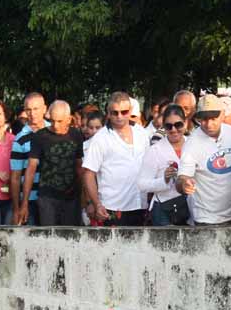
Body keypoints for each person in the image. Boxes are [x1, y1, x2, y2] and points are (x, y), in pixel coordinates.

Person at [81, 91, 150, 226]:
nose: (119, 116)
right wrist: (96, 204)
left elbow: (149, 166)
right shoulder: (100, 138)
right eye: (115, 112)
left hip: (140, 204)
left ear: (130, 111)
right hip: (112, 206)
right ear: (108, 113)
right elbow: (88, 174)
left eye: (123, 112)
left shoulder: (142, 133)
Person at [177, 95, 231, 225]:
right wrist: (184, 184)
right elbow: (181, 178)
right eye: (204, 119)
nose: (209, 124)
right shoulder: (192, 143)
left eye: (214, 118)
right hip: (207, 218)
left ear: (222, 115)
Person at [25, 100, 83, 226]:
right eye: (52, 120)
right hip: (47, 197)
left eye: (60, 121)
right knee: (48, 237)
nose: (55, 125)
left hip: (71, 197)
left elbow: (80, 168)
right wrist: (24, 203)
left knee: (71, 238)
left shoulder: (76, 135)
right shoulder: (40, 136)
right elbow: (30, 170)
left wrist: (85, 200)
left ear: (69, 119)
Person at [138, 104, 186, 226]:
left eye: (178, 125)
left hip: (191, 207)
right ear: (163, 126)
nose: (174, 129)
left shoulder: (193, 144)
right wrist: (163, 180)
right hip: (164, 209)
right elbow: (142, 184)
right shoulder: (155, 150)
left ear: (185, 123)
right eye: (169, 126)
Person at [11, 92, 48, 225]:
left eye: (36, 109)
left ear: (44, 109)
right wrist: (17, 208)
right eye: (28, 110)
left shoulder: (55, 131)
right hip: (29, 200)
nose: (32, 113)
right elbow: (15, 176)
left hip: (53, 198)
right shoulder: (20, 139)